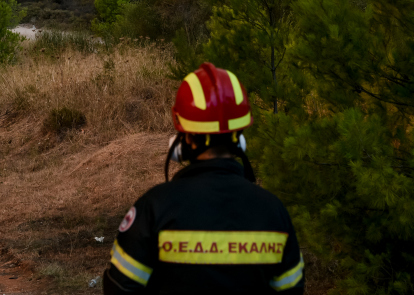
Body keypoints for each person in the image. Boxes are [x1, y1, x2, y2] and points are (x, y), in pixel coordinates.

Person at [102, 62, 305, 294]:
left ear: (186, 137)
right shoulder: (273, 212)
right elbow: (292, 289)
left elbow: (119, 288)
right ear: (239, 137)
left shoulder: (154, 209)